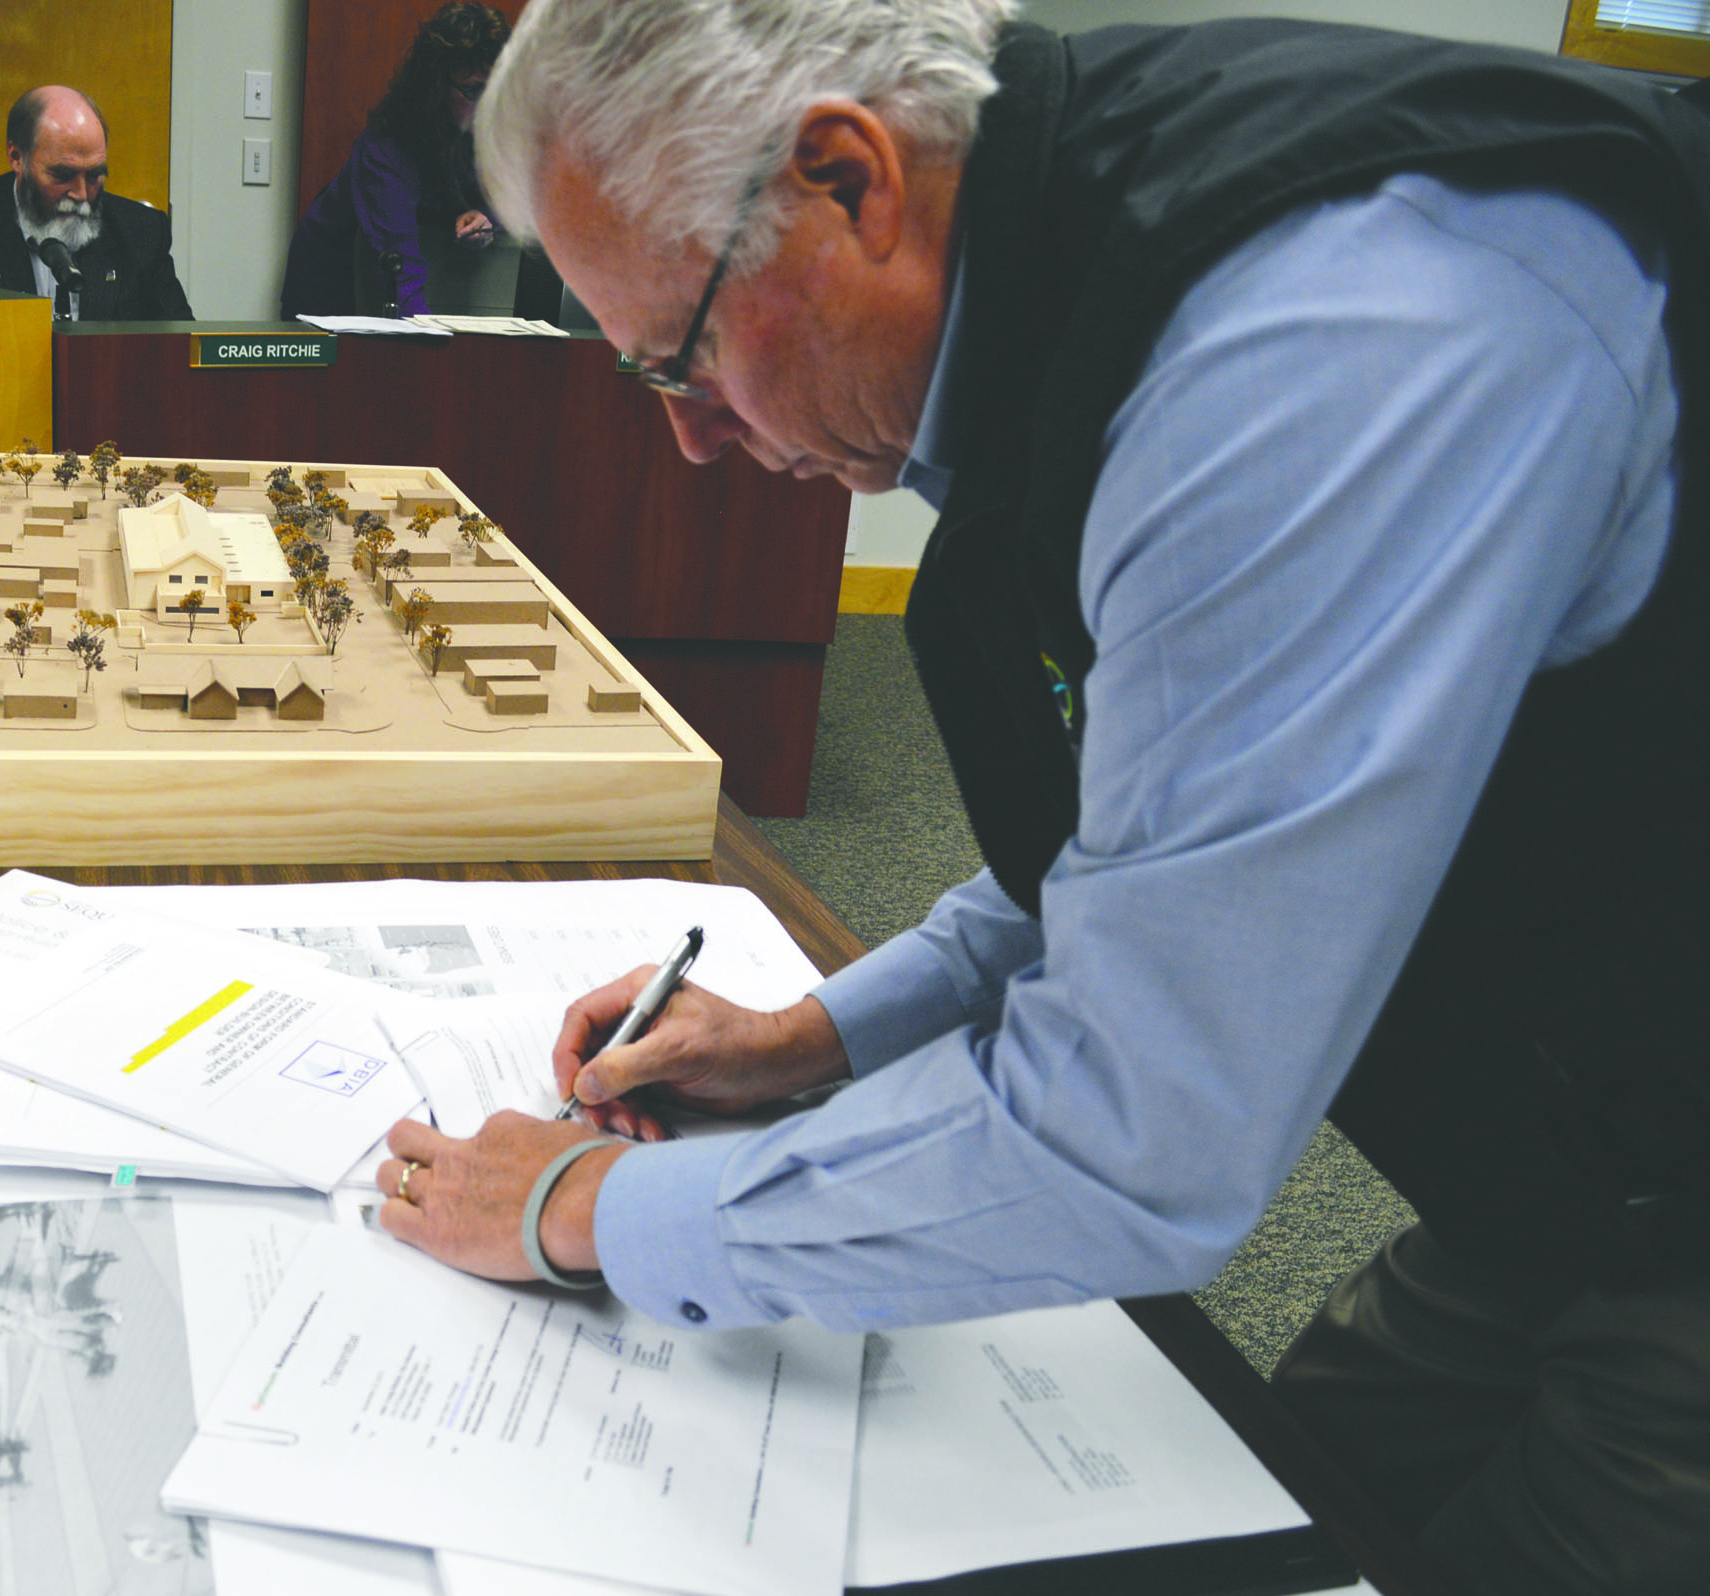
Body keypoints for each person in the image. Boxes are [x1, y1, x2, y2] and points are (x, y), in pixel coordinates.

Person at [370, 3, 1709, 1591]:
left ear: (847, 181)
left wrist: (593, 1207)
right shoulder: (1068, 266)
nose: (691, 437)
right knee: (1256, 1506)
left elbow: (1129, 1143)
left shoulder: (1327, 336)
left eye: (686, 353)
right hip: (1548, 1143)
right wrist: (809, 1037)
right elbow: (1170, 832)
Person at [279, 3, 510, 318]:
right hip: (332, 275)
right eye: (472, 90)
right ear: (437, 85)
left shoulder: (478, 124)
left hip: (420, 272)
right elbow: (401, 272)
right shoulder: (387, 147)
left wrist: (485, 219)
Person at [0, 85, 193, 321]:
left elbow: (179, 351)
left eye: (94, 175)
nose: (81, 194)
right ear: (17, 157)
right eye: (63, 175)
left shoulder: (141, 234)